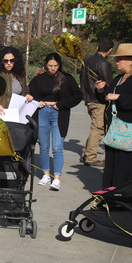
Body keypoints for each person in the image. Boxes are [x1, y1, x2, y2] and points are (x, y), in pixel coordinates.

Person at [26, 53, 82, 190]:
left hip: (59, 114)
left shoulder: (66, 79)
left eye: (55, 66)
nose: (52, 68)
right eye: (50, 65)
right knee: (44, 146)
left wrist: (62, 104)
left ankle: (57, 178)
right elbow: (30, 93)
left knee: (57, 147)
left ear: (59, 65)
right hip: (43, 113)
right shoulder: (39, 79)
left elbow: (78, 95)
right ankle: (46, 174)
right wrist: (36, 102)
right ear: (45, 64)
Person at [95, 43, 132, 189]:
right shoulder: (118, 78)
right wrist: (101, 91)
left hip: (130, 130)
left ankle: (124, 197)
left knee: (126, 165)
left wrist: (119, 97)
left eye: (120, 59)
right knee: (112, 163)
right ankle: (110, 195)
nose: (116, 62)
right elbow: (107, 99)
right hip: (114, 129)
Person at [80, 39, 114, 167]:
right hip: (98, 99)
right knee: (98, 128)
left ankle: (87, 153)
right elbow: (108, 83)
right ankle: (91, 156)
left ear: (97, 47)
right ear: (110, 50)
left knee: (96, 126)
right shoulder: (103, 63)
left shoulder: (88, 60)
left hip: (88, 97)